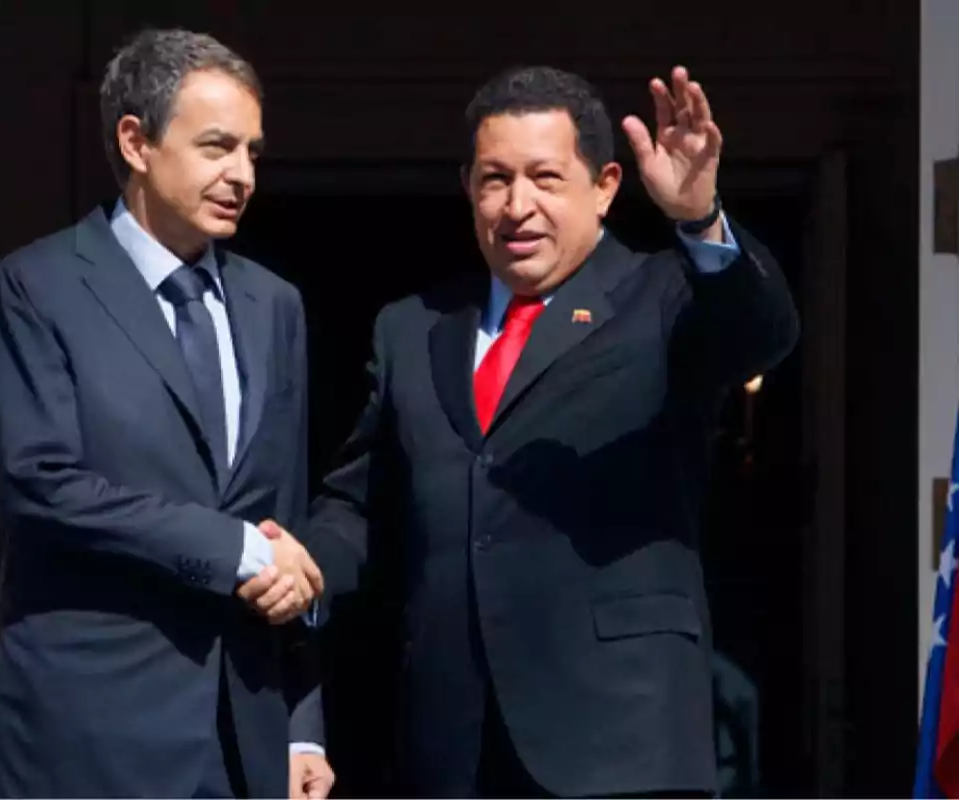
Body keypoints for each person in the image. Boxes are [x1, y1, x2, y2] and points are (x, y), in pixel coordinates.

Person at [299, 65, 799, 797]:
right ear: (468, 187)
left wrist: (699, 221)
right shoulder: (412, 327)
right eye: (495, 179)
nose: (517, 205)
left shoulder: (662, 297)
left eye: (544, 178)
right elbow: (360, 505)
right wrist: (294, 564)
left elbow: (762, 335)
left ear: (603, 187)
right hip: (452, 748)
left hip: (618, 746)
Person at [0, 28, 333, 799]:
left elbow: (281, 523)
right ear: (136, 142)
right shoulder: (38, 286)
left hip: (244, 739)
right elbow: (42, 486)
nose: (242, 176)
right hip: (83, 735)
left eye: (253, 153)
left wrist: (303, 723)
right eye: (216, 147)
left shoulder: (275, 305)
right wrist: (229, 547)